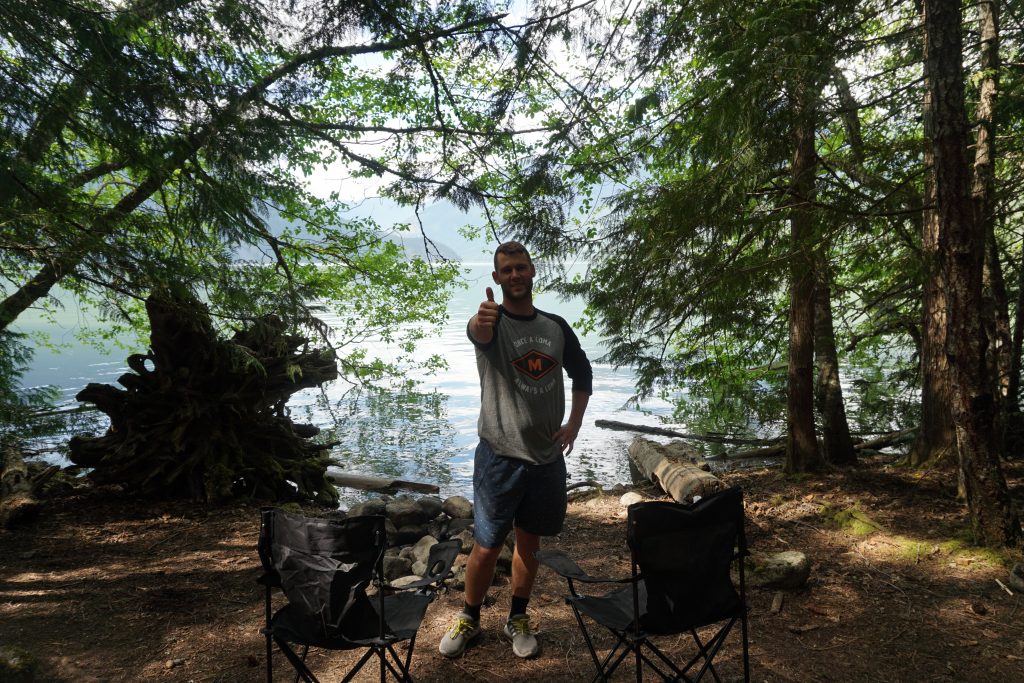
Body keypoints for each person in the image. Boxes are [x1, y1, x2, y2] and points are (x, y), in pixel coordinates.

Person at [439, 241, 593, 660]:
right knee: (487, 546)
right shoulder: (492, 323)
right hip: (499, 457)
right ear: (496, 278)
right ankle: (470, 617)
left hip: (545, 459)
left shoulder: (556, 326)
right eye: (506, 270)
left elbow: (582, 374)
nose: (514, 276)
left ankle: (517, 617)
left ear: (532, 271)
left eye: (520, 268)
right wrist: (481, 319)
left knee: (530, 545)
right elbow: (478, 331)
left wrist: (575, 422)